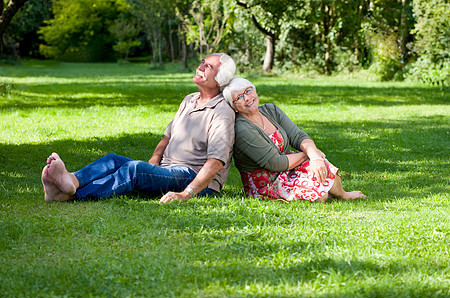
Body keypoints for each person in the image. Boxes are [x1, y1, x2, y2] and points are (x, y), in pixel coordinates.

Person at [42, 53, 236, 204]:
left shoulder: (221, 112)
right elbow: (167, 138)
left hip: (193, 177)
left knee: (134, 170)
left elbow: (216, 162)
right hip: (170, 170)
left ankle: (68, 196)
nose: (200, 67)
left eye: (208, 66)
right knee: (112, 160)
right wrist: (153, 162)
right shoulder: (190, 99)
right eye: (202, 62)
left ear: (219, 80)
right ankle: (72, 181)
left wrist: (186, 194)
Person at [222, 78, 366, 202]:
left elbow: (298, 136)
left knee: (323, 167)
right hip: (266, 182)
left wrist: (315, 157)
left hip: (288, 169)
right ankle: (323, 191)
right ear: (234, 107)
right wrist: (308, 155)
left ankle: (343, 195)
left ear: (254, 90)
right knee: (320, 197)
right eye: (239, 97)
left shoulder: (271, 110)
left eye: (248, 91)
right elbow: (275, 163)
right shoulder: (241, 128)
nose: (247, 98)